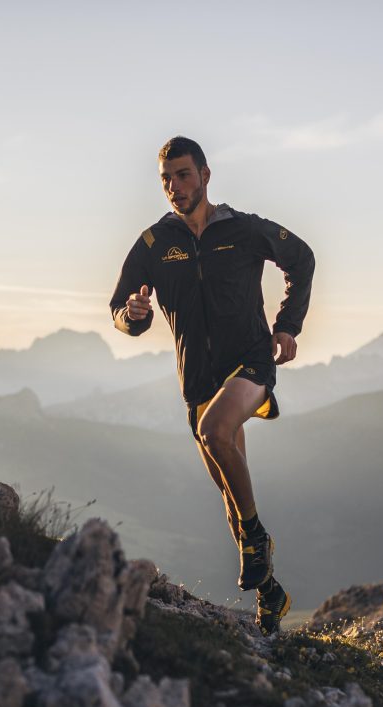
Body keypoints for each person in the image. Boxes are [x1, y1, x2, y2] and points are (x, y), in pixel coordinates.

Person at [108, 136, 316, 635]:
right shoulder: (154, 244)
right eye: (166, 180)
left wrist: (287, 326)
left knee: (215, 429)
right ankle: (272, 596)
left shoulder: (243, 229)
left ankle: (257, 538)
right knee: (228, 484)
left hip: (250, 361)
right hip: (198, 378)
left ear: (205, 174)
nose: (175, 187)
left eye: (183, 175)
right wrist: (132, 316)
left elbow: (302, 258)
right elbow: (119, 309)